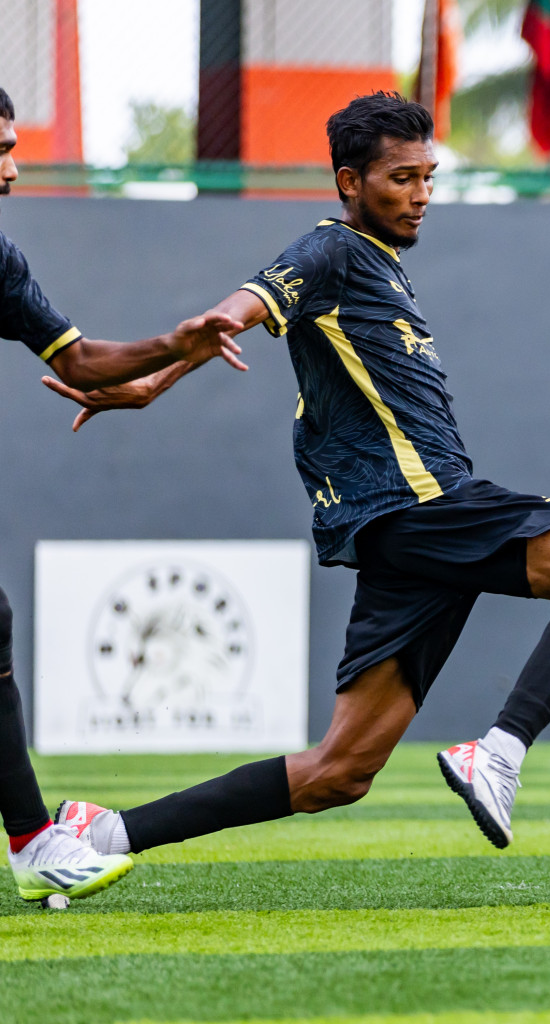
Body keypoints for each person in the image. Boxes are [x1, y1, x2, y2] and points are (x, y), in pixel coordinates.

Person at [52, 92, 550, 861]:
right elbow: (240, 309)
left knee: (338, 772)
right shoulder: (331, 251)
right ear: (348, 181)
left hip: (399, 533)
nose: (421, 195)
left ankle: (102, 834)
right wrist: (180, 344)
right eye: (401, 178)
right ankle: (499, 752)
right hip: (426, 504)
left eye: (429, 177)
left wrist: (151, 384)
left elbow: (245, 324)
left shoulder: (378, 265)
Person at [0, 86, 244, 901]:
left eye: (13, 143)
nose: (15, 163)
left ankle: (34, 840)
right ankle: (34, 841)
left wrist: (168, 350)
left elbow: (77, 362)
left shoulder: (2, 263)